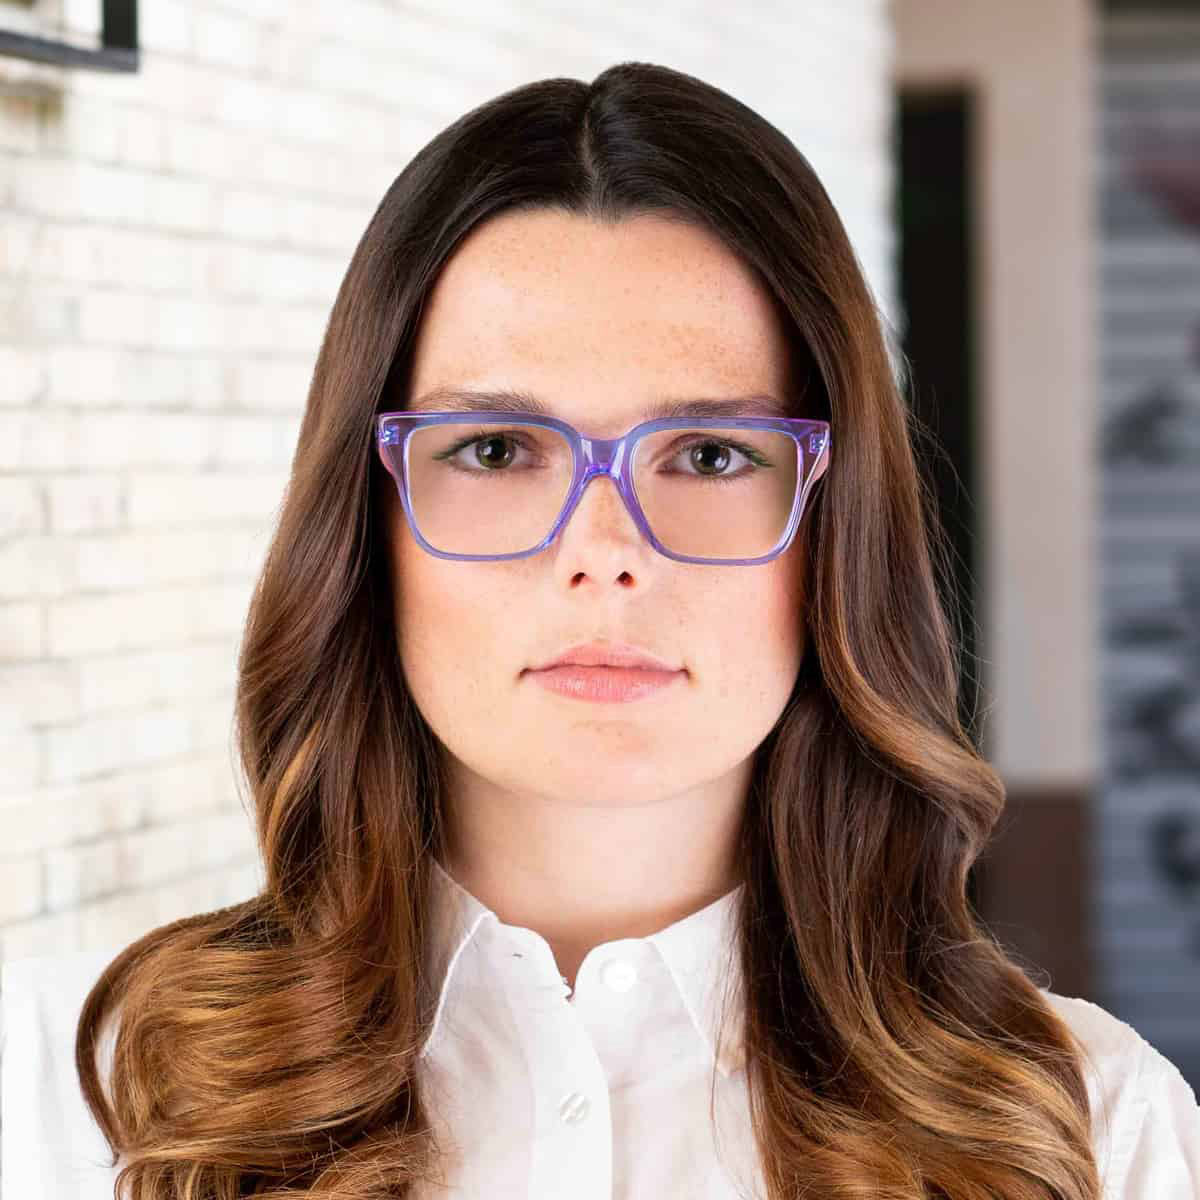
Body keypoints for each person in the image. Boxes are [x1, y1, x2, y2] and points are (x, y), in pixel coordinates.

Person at [3, 60, 1198, 1200]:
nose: (605, 551)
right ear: (366, 525)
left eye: (711, 454)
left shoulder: (1096, 1132)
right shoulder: (74, 1104)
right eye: (495, 450)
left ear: (837, 530)